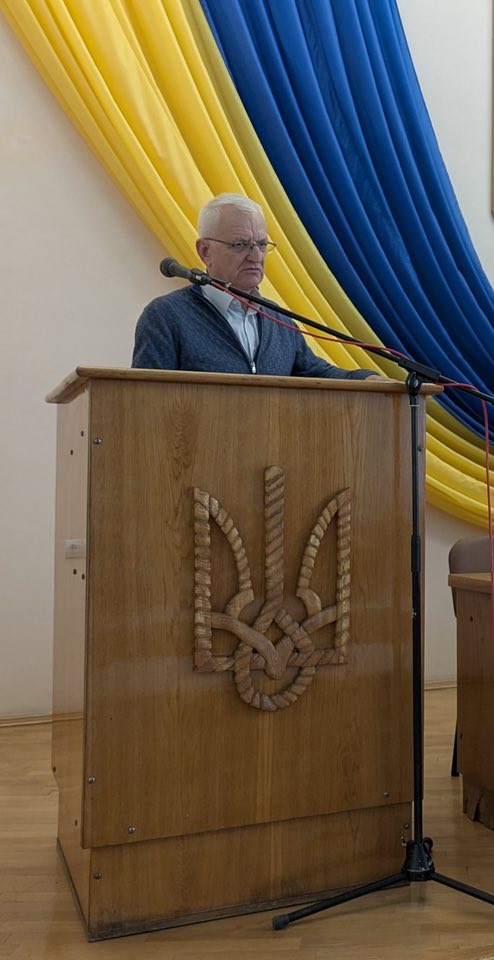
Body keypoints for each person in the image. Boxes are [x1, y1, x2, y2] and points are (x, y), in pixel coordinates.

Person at [132, 193, 378, 379]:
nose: (256, 256)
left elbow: (317, 373)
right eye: (240, 245)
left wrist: (368, 379)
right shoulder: (166, 316)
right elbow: (146, 401)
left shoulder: (277, 319)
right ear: (205, 251)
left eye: (261, 244)